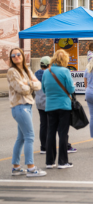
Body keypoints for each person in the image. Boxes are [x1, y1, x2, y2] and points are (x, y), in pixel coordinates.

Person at [8, 48, 47, 177]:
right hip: (20, 107)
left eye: (18, 54)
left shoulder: (27, 70)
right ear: (11, 58)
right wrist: (30, 85)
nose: (16, 57)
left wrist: (28, 83)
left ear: (23, 56)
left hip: (27, 106)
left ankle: (16, 167)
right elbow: (21, 89)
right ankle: (31, 168)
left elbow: (39, 85)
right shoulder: (12, 72)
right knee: (29, 136)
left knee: (21, 138)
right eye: (13, 56)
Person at [42, 49, 75, 169]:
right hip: (64, 105)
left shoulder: (47, 72)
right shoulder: (65, 71)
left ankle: (50, 161)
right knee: (63, 133)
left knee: (51, 133)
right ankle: (62, 161)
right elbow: (71, 89)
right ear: (65, 59)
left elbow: (44, 89)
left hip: (50, 105)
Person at [35, 56, 50, 154]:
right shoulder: (49, 74)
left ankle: (43, 147)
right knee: (53, 125)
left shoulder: (35, 74)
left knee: (43, 124)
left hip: (39, 102)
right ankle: (64, 145)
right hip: (49, 102)